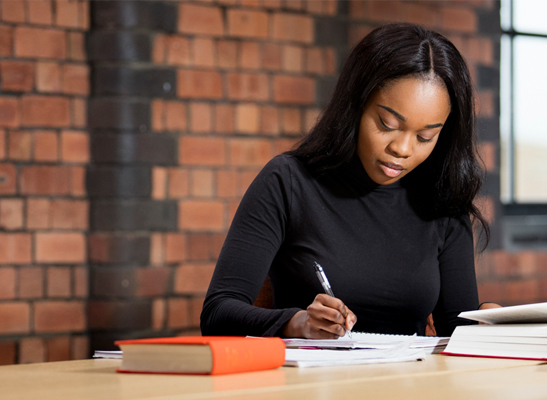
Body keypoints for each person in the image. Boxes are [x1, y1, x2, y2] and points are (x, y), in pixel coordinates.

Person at [201, 23, 496, 339]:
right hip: (312, 385)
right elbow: (218, 313)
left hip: (410, 385)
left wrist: (491, 319)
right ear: (355, 105)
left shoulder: (442, 202)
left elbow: (457, 335)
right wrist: (296, 323)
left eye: (426, 136)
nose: (402, 149)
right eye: (387, 124)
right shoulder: (288, 182)